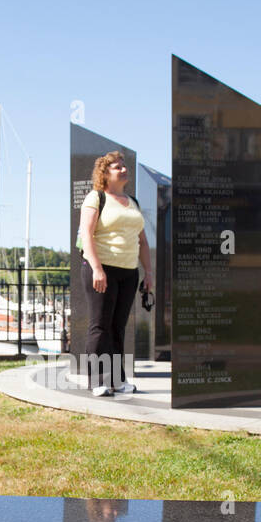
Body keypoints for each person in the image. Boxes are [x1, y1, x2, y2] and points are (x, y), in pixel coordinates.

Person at [77, 151, 154, 396]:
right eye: (117, 167)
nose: (123, 169)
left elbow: (142, 241)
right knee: (100, 326)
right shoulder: (96, 197)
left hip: (128, 272)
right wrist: (97, 269)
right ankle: (96, 380)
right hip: (101, 269)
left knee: (118, 327)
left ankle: (117, 380)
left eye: (124, 166)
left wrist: (148, 272)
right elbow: (86, 235)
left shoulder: (133, 202)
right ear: (105, 173)